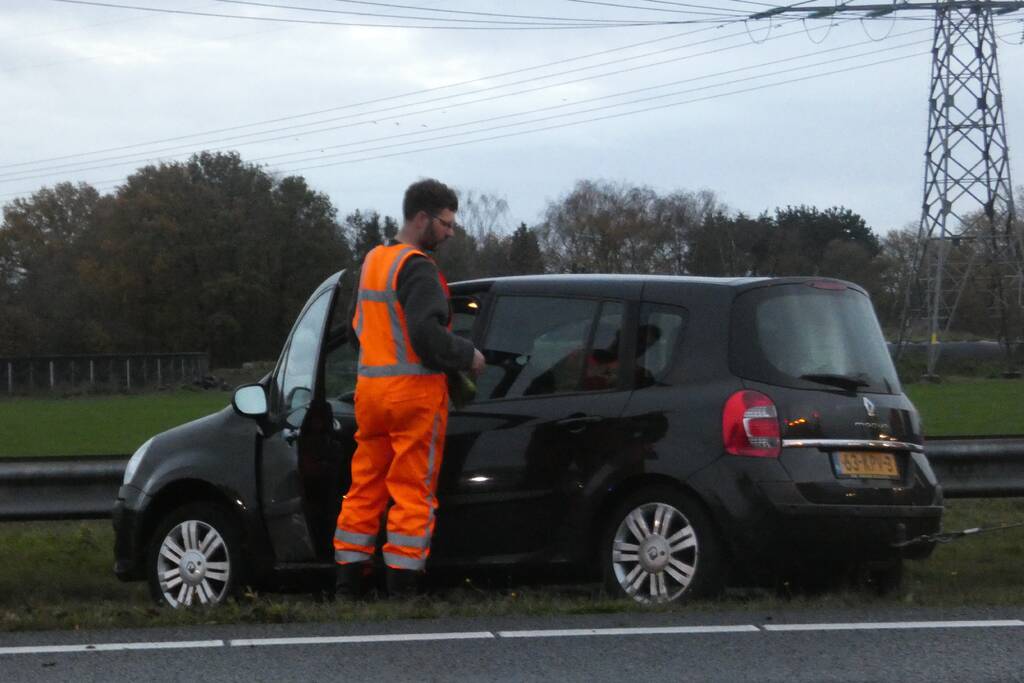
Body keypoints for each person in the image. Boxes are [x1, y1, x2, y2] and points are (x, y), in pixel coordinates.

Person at [333, 179, 485, 599]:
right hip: (414, 396)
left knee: (365, 485)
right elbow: (426, 335)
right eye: (447, 223)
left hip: (370, 395)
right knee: (412, 490)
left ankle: (348, 582)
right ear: (423, 218)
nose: (451, 232)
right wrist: (468, 355)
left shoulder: (373, 262)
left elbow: (354, 331)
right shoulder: (418, 267)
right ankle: (402, 585)